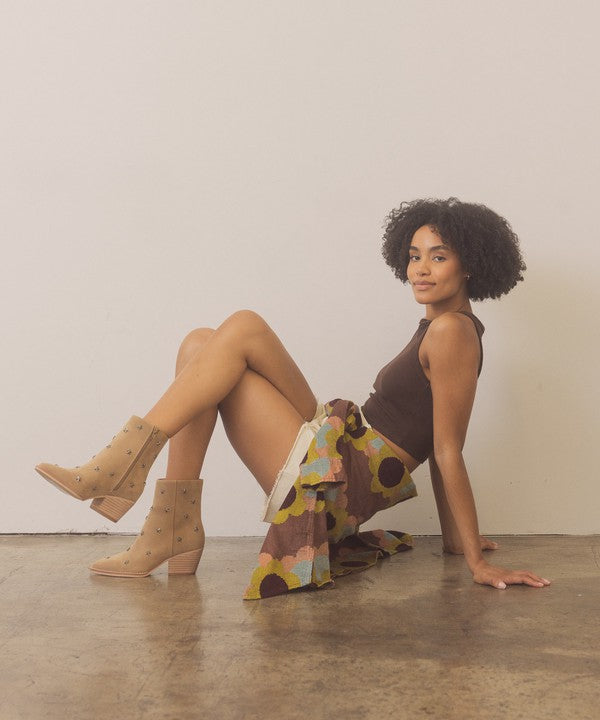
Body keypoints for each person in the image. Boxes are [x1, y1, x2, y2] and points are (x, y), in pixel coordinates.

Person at [36, 196, 551, 599]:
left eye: (438, 257)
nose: (421, 268)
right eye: (415, 256)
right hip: (339, 449)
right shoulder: (440, 327)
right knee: (200, 343)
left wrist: (474, 560)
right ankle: (170, 527)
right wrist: (458, 540)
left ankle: (123, 471)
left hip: (343, 484)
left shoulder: (452, 332)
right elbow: (440, 442)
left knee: (242, 326)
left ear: (470, 265)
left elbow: (447, 449)